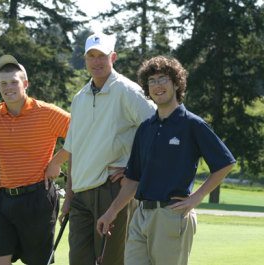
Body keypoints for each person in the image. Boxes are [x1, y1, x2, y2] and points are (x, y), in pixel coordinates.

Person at [97, 55, 236, 265]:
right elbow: (133, 180)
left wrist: (196, 198)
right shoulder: (145, 128)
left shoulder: (192, 124)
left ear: (176, 83)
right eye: (151, 81)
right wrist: (111, 213)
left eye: (163, 78)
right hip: (141, 215)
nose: (157, 85)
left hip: (172, 215)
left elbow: (225, 163)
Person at [59, 32, 156, 265]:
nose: (96, 61)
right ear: (85, 60)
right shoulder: (79, 97)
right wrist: (69, 194)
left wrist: (136, 169)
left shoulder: (127, 90)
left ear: (113, 57)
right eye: (91, 56)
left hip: (112, 191)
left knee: (111, 261)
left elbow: (158, 126)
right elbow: (74, 149)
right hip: (81, 195)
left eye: (101, 55)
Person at [0, 54, 70, 265]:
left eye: (14, 82)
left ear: (26, 84)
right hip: (3, 200)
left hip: (38, 198)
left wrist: (57, 161)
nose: (8, 87)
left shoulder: (46, 112)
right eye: (3, 83)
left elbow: (82, 133)